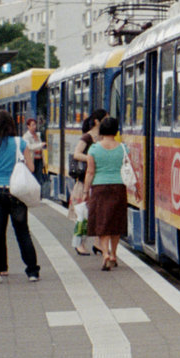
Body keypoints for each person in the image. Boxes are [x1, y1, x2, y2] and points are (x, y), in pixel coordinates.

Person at [0, 109, 40, 284]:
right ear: (11, 124)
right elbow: (31, 168)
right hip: (16, 192)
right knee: (23, 232)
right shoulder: (20, 143)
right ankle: (32, 271)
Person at [82, 114, 127, 271]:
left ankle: (105, 253)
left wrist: (86, 191)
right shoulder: (123, 148)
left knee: (102, 222)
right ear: (116, 130)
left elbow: (90, 172)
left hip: (100, 188)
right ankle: (114, 254)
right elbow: (129, 170)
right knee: (115, 222)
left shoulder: (94, 149)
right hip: (119, 187)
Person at [70, 109, 106, 256]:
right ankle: (80, 244)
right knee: (82, 215)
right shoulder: (87, 137)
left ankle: (98, 244)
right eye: (105, 118)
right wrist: (91, 158)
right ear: (97, 121)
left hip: (97, 179)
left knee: (99, 214)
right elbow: (77, 154)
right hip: (85, 180)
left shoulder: (103, 137)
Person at [23, 116, 46, 187]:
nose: (34, 127)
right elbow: (29, 147)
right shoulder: (26, 136)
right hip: (32, 160)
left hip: (39, 159)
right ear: (28, 126)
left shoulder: (38, 135)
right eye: (32, 125)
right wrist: (40, 145)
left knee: (39, 177)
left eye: (35, 125)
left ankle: (39, 193)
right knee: (32, 177)